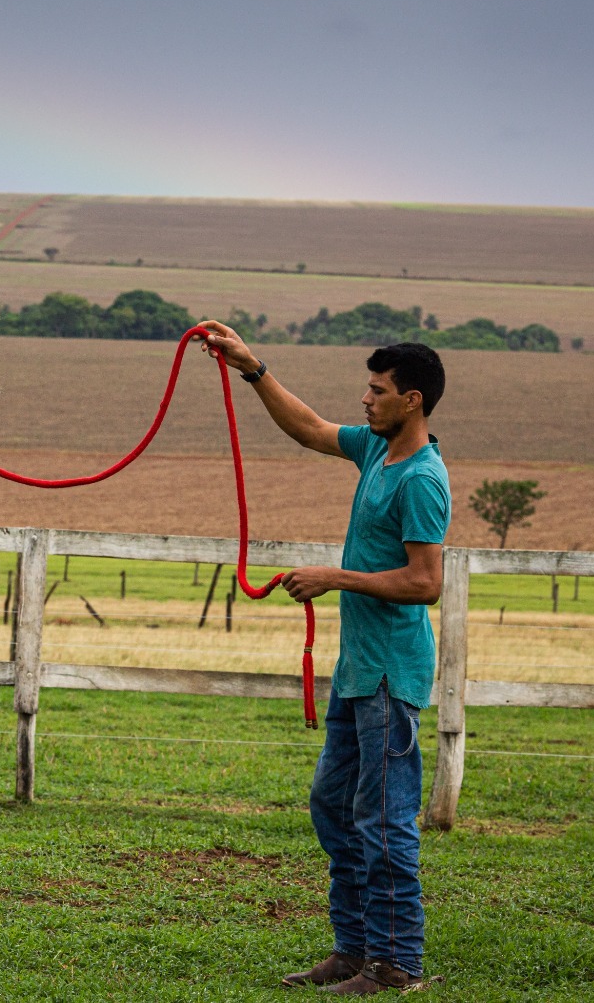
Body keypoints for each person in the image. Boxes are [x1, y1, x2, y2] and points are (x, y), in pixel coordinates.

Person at [196, 322, 450, 995]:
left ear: (413, 400)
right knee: (334, 807)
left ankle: (397, 965)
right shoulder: (377, 452)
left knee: (384, 817)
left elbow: (426, 584)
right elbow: (308, 427)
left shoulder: (421, 479)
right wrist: (252, 368)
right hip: (357, 669)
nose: (365, 400)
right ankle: (354, 949)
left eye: (378, 390)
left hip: (393, 672)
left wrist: (336, 577)